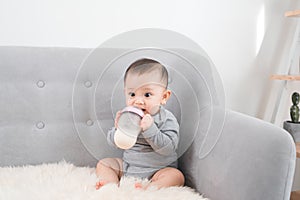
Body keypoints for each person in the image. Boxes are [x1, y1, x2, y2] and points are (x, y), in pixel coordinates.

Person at [95, 58, 184, 189]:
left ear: (164, 97)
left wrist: (150, 129)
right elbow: (114, 142)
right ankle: (111, 185)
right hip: (128, 167)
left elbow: (169, 148)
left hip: (158, 170)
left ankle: (150, 188)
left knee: (176, 176)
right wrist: (118, 129)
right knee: (104, 164)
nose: (138, 101)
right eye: (132, 94)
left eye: (147, 94)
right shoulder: (128, 116)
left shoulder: (166, 119)